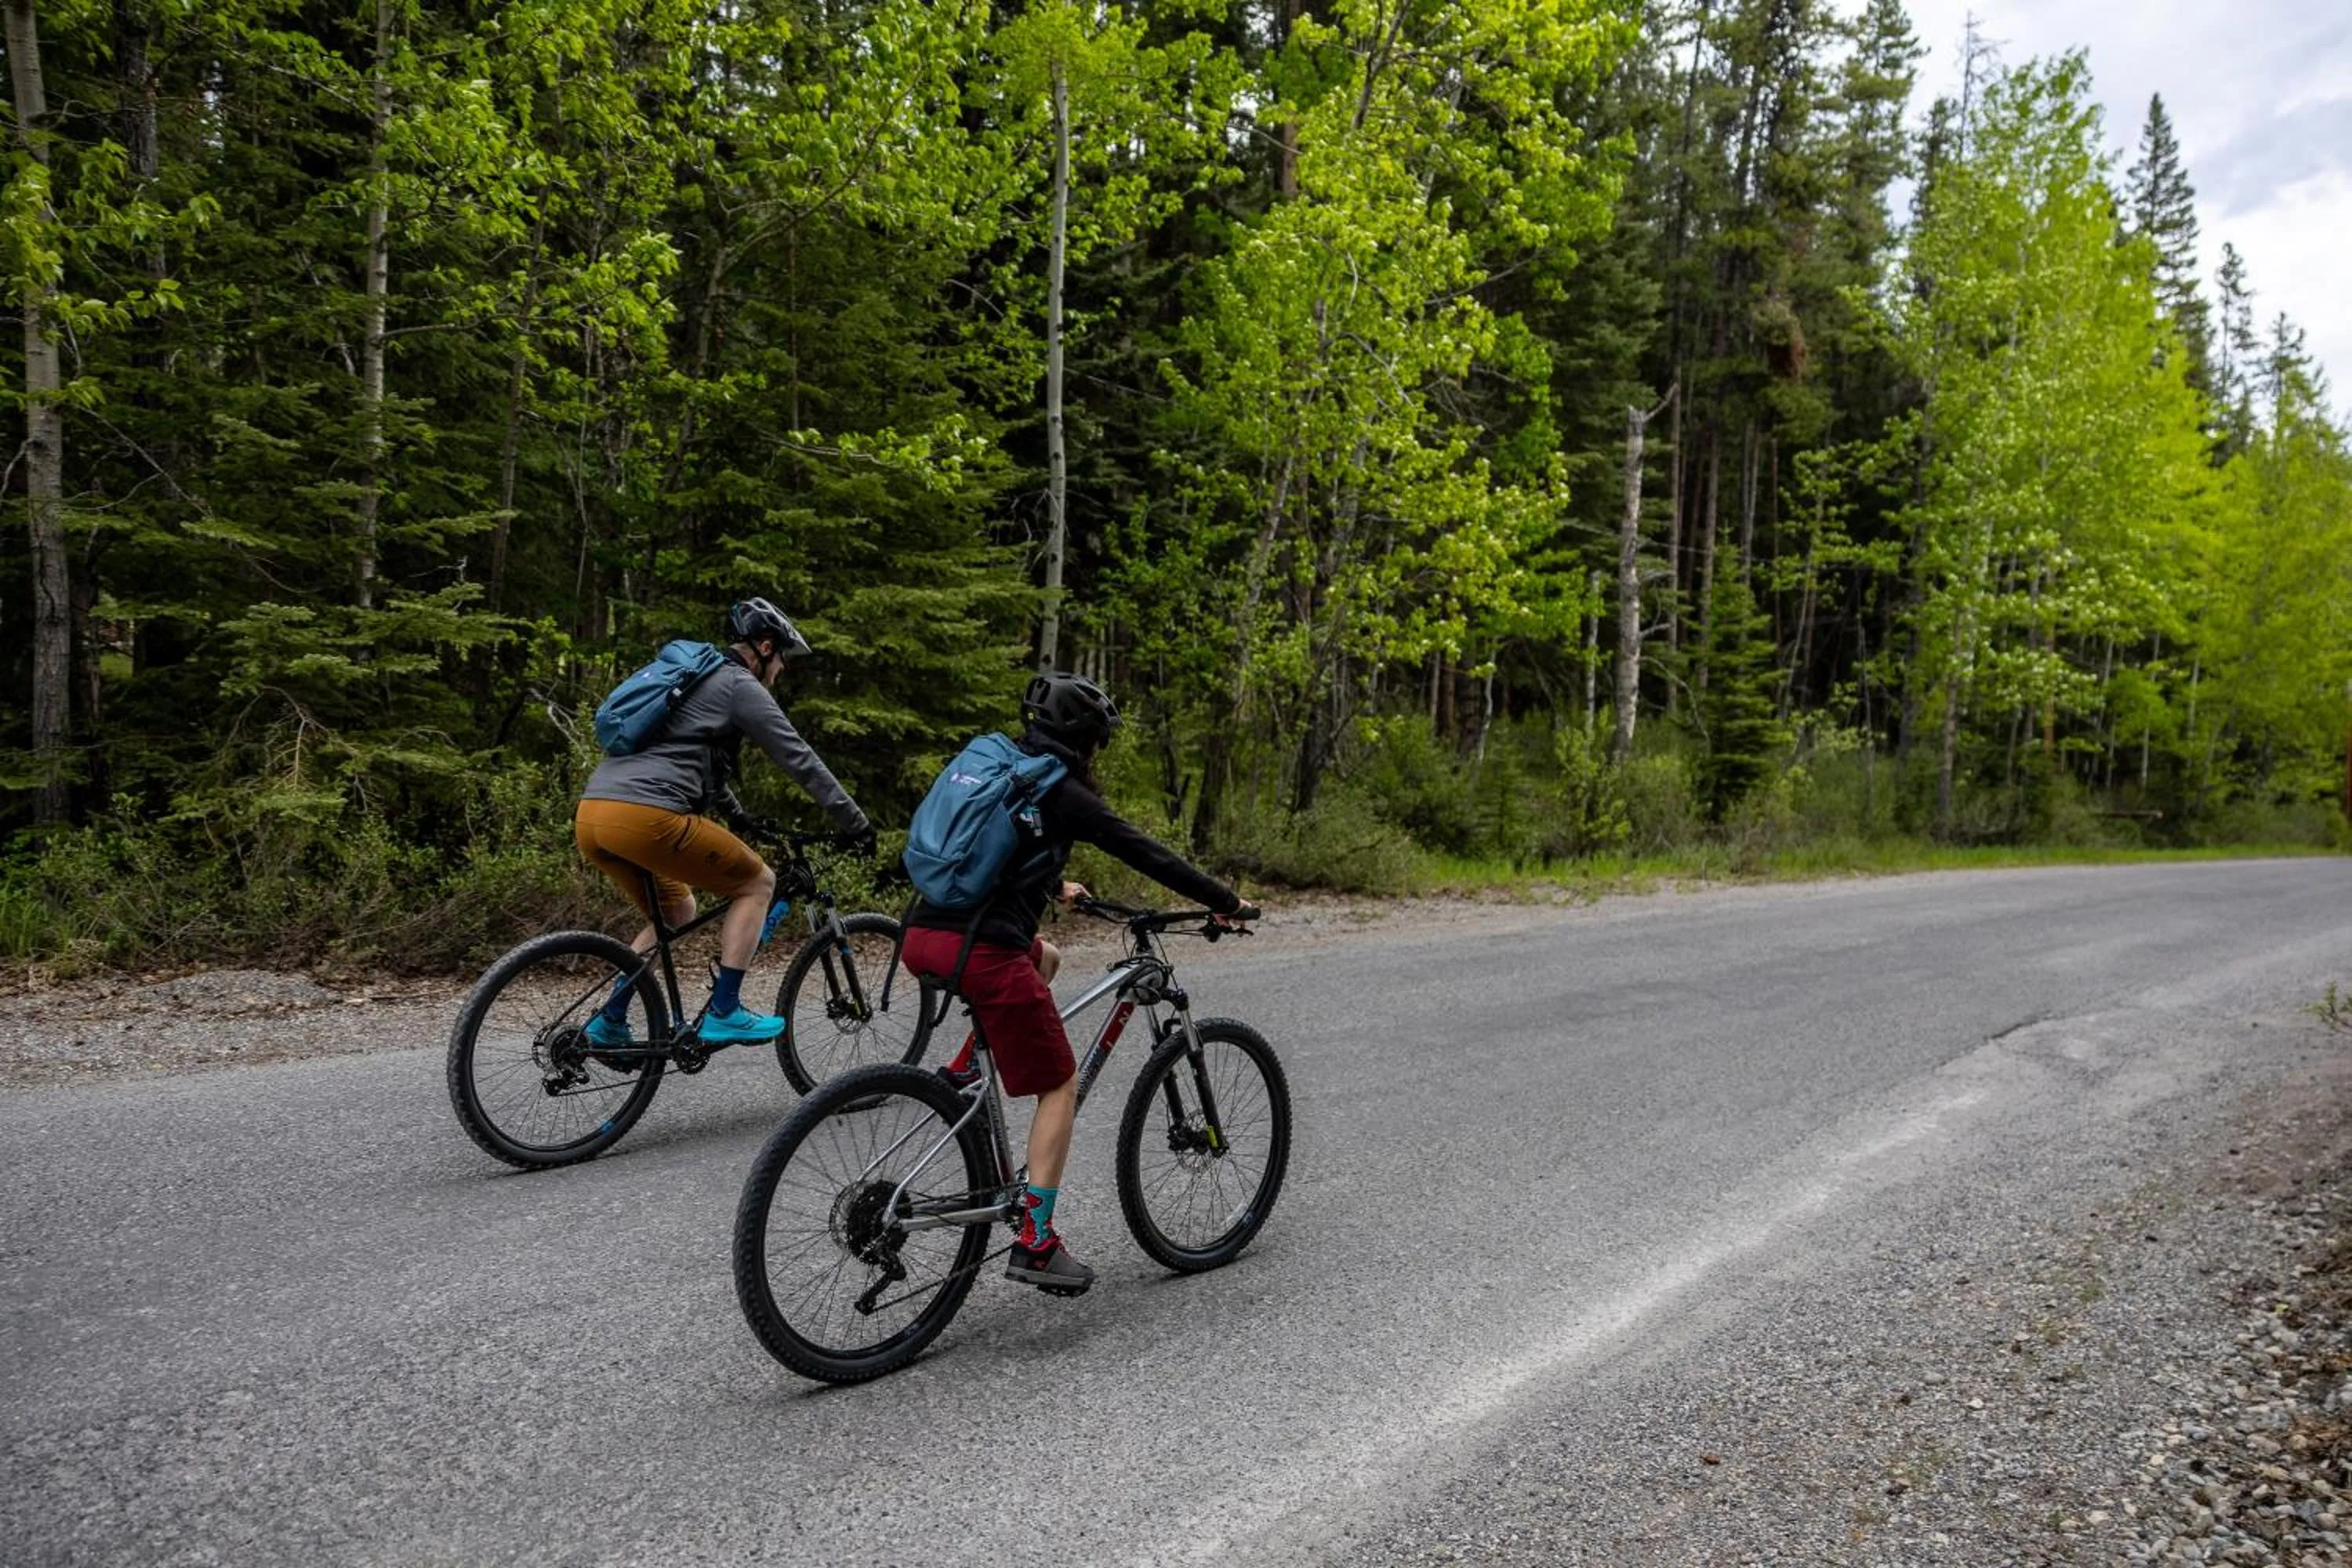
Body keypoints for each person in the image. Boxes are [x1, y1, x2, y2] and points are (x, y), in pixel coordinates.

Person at [901, 672, 1259, 1294]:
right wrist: (1225, 900)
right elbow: (1144, 852)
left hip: (922, 935)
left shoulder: (1003, 765)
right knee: (1059, 1086)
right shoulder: (1064, 792)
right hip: (982, 953)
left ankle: (964, 1066)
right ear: (1086, 740)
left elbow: (982, 848)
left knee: (1048, 958)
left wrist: (1050, 884)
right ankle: (1036, 1242)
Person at [574, 598, 873, 1047]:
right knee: (758, 884)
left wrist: (739, 818)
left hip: (594, 815)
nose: (782, 670)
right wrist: (856, 822)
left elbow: (697, 765)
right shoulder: (737, 684)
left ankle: (609, 1020)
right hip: (648, 815)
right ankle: (725, 1011)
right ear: (765, 646)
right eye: (783, 659)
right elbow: (799, 759)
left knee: (678, 911)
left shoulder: (693, 681)